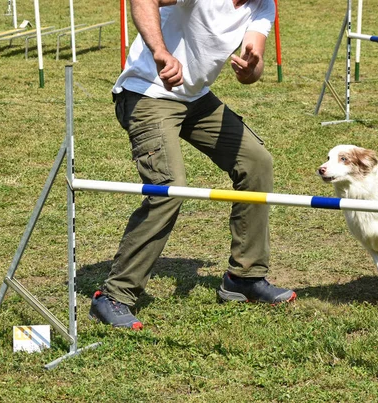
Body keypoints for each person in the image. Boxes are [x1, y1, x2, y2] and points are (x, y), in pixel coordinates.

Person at [89, 0, 296, 330]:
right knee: (170, 187)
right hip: (147, 93)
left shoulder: (263, 6)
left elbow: (253, 65)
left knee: (257, 163)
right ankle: (113, 295)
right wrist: (160, 52)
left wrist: (251, 70)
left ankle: (244, 277)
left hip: (196, 99)